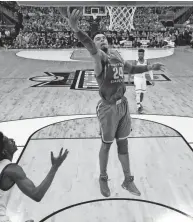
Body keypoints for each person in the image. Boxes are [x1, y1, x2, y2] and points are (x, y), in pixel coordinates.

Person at [61, 7, 165, 197]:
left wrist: (150, 66)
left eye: (104, 37)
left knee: (123, 144)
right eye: (98, 38)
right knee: (107, 145)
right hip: (108, 108)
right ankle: (102, 177)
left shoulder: (115, 55)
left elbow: (131, 70)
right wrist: (76, 29)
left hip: (123, 105)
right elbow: (90, 46)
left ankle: (128, 180)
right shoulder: (98, 57)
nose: (102, 39)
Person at [0, 129, 69, 222]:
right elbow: (37, 195)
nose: (12, 140)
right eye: (8, 141)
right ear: (4, 151)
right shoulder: (12, 170)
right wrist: (55, 167)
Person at [133, 49, 154, 114]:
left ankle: (140, 103)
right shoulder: (135, 61)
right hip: (137, 78)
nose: (140, 55)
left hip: (143, 79)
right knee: (138, 93)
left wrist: (152, 79)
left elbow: (150, 70)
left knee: (142, 93)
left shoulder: (146, 61)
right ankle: (138, 106)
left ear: (144, 54)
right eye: (139, 54)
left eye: (141, 54)